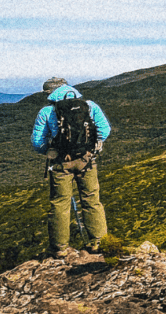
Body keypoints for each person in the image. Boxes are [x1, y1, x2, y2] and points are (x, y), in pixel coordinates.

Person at [30, 77, 112, 256]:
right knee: (91, 200)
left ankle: (59, 249)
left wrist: (47, 151)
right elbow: (105, 130)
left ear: (50, 93)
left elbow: (37, 141)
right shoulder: (89, 106)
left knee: (60, 204)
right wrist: (98, 142)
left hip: (61, 162)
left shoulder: (47, 111)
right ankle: (99, 242)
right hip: (87, 160)